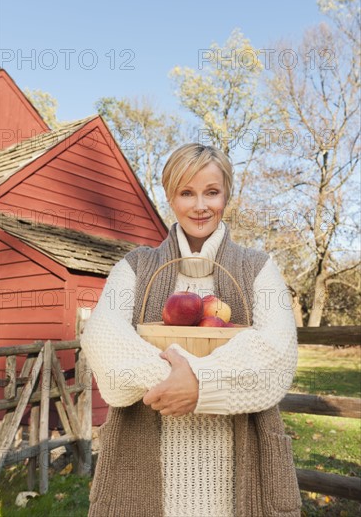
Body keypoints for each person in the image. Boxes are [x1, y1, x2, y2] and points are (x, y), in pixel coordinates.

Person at [81, 143, 302, 517]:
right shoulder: (136, 267)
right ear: (170, 196)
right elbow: (104, 341)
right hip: (146, 482)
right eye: (187, 192)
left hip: (239, 486)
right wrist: (178, 385)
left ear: (226, 195)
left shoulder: (257, 268)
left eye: (211, 192)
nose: (200, 205)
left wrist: (200, 387)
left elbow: (277, 356)